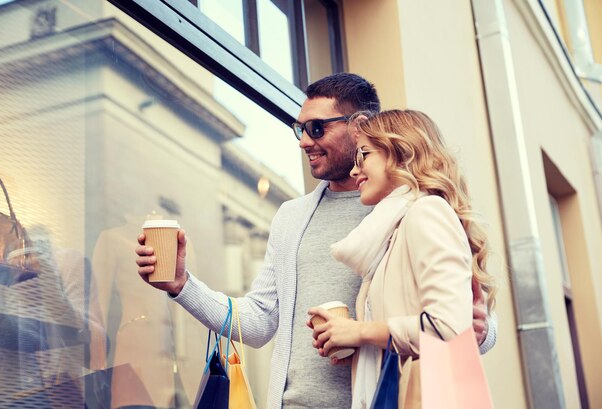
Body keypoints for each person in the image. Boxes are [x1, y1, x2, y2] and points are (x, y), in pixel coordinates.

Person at [135, 73, 496, 409]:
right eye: (301, 129)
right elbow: (259, 321)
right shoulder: (291, 217)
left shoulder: (409, 209)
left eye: (316, 128)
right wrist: (182, 286)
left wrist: (477, 329)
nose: (305, 141)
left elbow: (463, 320)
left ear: (359, 128)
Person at [308, 109, 497, 409]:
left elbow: (448, 327)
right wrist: (355, 343)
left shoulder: (426, 212)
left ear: (400, 153)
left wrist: (360, 332)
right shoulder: (391, 231)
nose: (356, 171)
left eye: (364, 156)